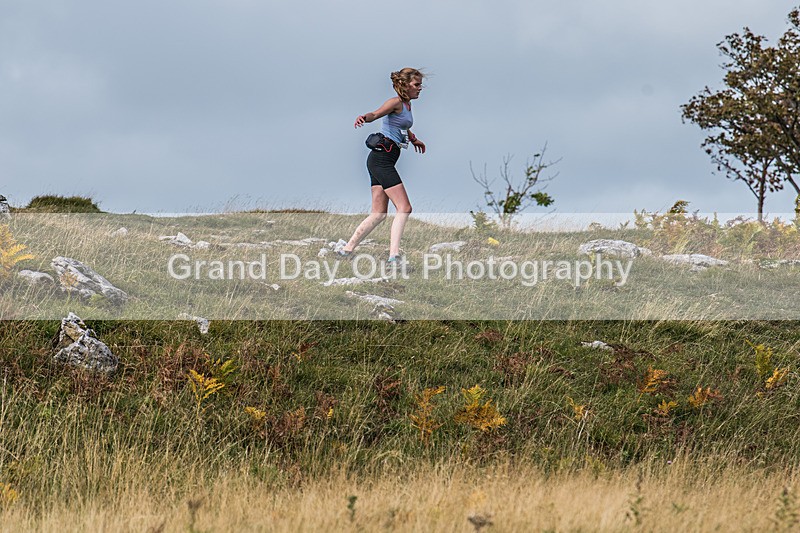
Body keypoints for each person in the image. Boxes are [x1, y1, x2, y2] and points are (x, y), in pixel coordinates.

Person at [338, 68, 427, 263]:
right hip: (382, 160)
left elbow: (402, 126)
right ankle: (394, 257)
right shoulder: (395, 102)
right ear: (405, 85)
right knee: (404, 207)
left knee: (378, 214)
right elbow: (376, 114)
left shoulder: (407, 105)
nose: (420, 88)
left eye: (420, 84)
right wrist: (364, 117)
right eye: (417, 85)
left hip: (380, 159)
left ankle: (346, 250)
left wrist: (414, 140)